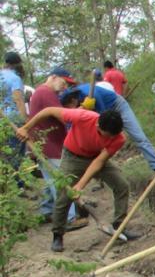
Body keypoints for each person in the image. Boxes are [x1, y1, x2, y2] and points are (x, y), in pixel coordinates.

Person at [16, 106, 140, 252]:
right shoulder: (81, 117)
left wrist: (80, 185)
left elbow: (98, 162)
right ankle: (58, 234)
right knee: (63, 195)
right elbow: (48, 110)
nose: (110, 139)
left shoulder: (118, 138)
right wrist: (25, 128)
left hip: (95, 156)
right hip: (72, 156)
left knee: (122, 185)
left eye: (113, 136)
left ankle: (119, 227)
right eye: (106, 135)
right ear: (97, 125)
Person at [60, 82, 155, 172]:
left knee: (138, 137)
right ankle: (104, 172)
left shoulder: (91, 94)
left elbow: (102, 119)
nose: (70, 109)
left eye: (69, 107)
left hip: (117, 106)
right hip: (103, 115)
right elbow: (71, 122)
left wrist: (87, 111)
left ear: (72, 100)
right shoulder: (77, 104)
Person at [28, 66, 83, 227]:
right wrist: (81, 112)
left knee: (50, 179)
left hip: (45, 143)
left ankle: (46, 211)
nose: (65, 87)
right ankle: (69, 218)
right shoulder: (45, 93)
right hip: (49, 145)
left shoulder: (43, 93)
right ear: (53, 77)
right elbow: (63, 117)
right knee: (60, 180)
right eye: (64, 82)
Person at [2, 52, 27, 170]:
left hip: (2, 120)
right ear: (17, 64)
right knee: (16, 152)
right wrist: (24, 123)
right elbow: (18, 100)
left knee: (4, 153)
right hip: (13, 119)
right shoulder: (15, 78)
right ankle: (18, 182)